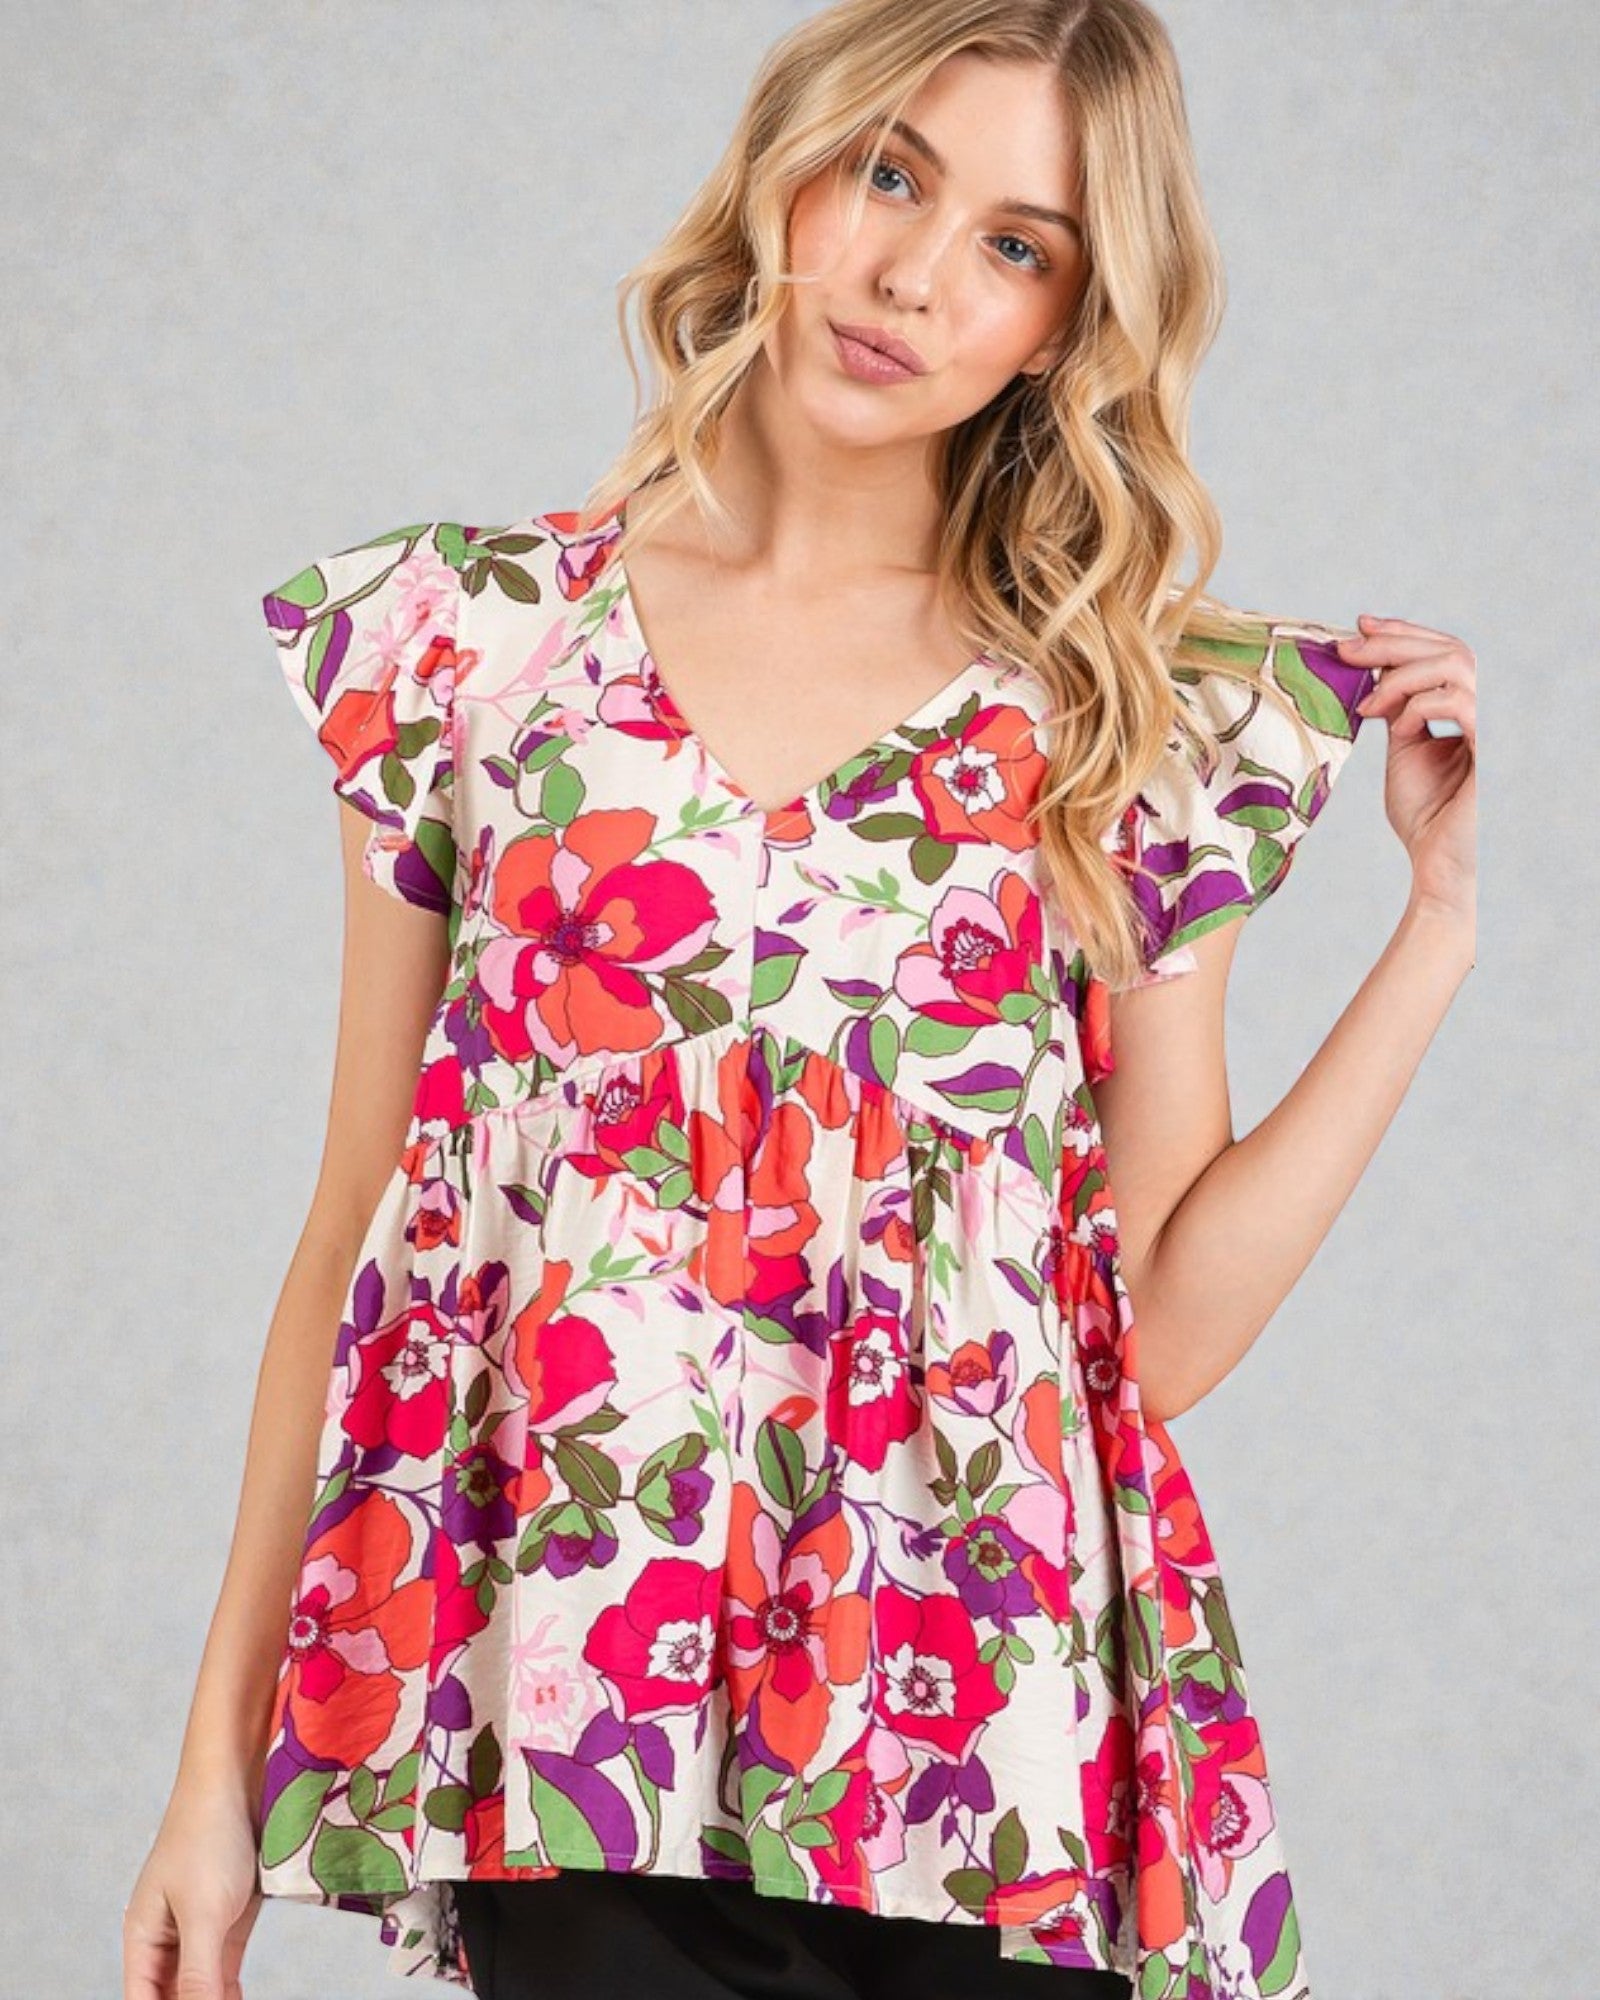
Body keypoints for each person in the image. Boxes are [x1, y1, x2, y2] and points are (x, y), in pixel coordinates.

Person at [122, 2, 1477, 1997]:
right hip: (570, 1714)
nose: (914, 275)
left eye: (1016, 245)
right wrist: (206, 1778)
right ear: (786, 160)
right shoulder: (468, 650)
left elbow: (1160, 1331)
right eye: (891, 172)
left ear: (1062, 324)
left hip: (990, 1751)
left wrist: (1433, 921)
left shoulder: (1117, 718)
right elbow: (349, 1237)